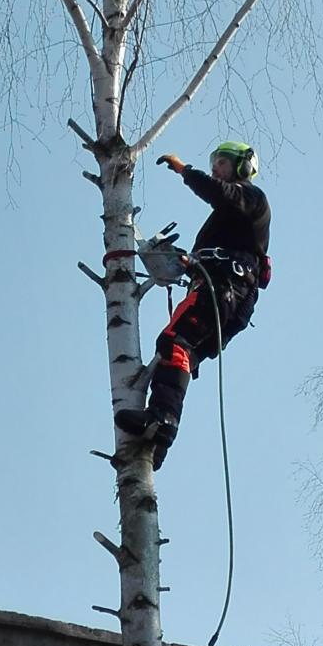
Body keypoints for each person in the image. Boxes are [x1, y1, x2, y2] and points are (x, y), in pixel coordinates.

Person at [115, 141, 271, 469]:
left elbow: (221, 194)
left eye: (223, 163)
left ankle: (162, 420)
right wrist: (186, 262)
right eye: (214, 162)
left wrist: (185, 171)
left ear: (243, 167)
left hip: (225, 290)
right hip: (230, 295)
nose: (216, 168)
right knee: (180, 356)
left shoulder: (250, 198)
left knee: (174, 342)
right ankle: (157, 441)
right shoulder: (229, 223)